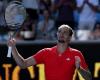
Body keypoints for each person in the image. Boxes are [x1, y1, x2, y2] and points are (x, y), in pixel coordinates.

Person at [7, 24, 92, 80]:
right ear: (57, 34)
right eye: (59, 31)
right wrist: (13, 48)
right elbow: (23, 64)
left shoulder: (76, 54)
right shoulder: (45, 52)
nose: (61, 34)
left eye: (65, 32)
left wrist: (79, 69)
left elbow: (89, 78)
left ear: (70, 37)